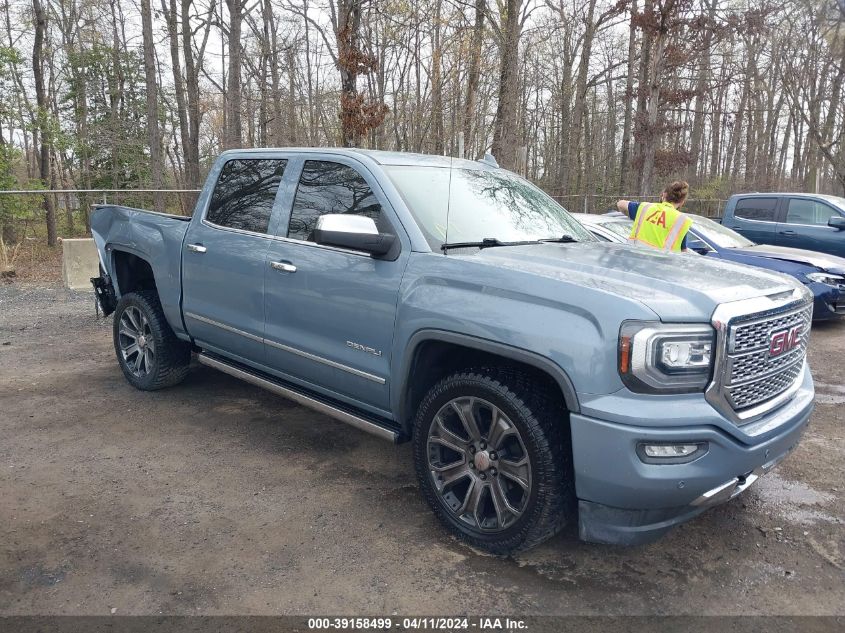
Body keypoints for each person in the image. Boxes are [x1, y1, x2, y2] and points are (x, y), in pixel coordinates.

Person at [616, 181, 693, 252]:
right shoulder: (681, 221)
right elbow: (683, 252)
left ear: (664, 195)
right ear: (682, 202)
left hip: (634, 260)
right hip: (661, 265)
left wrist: (632, 216)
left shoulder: (645, 208)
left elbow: (620, 204)